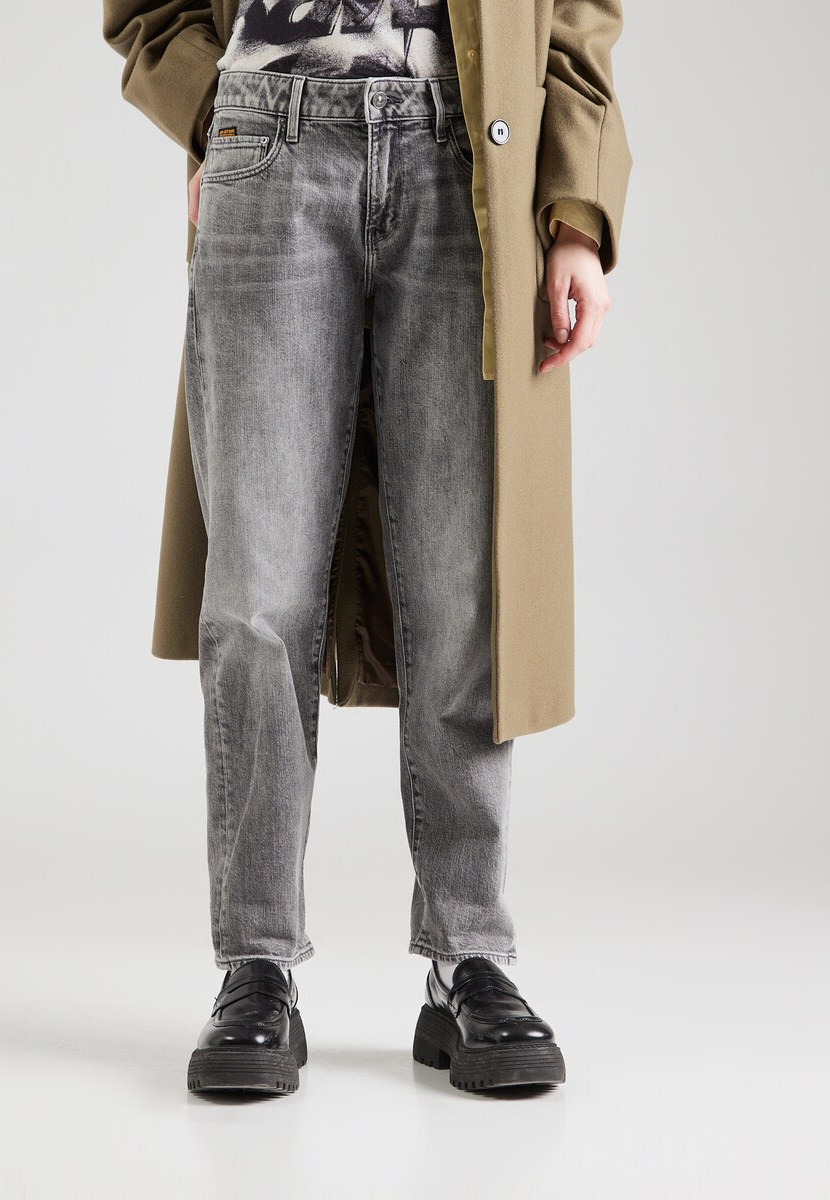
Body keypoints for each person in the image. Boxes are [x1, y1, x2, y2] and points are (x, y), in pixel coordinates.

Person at [103, 0, 632, 1096]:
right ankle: (255, 964)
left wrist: (576, 210)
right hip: (269, 139)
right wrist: (211, 112)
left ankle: (468, 955)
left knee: (464, 585)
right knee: (256, 593)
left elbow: (579, 12)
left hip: (472, 152)